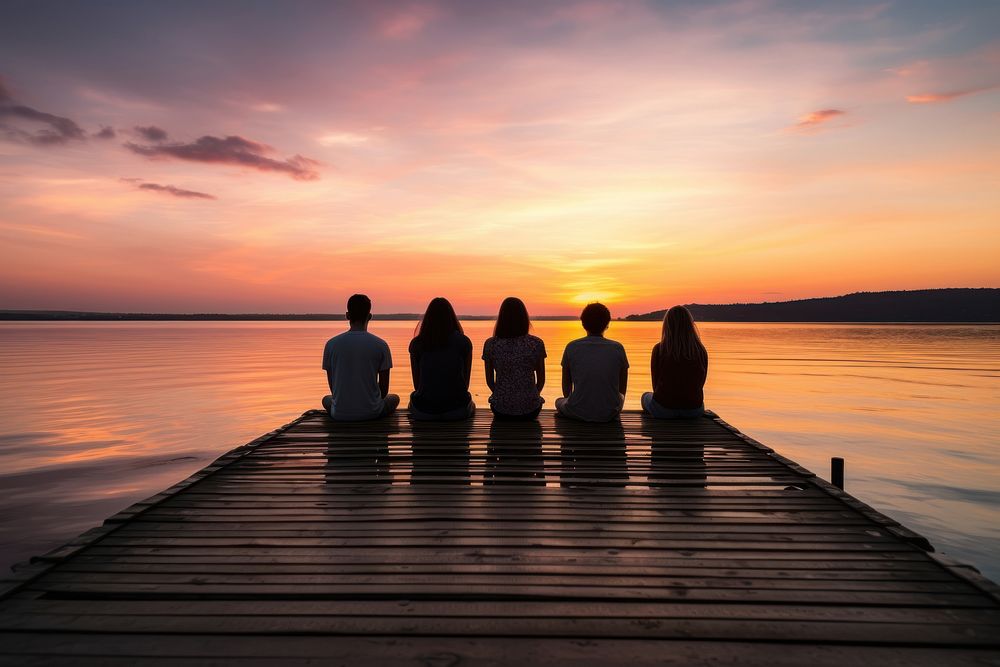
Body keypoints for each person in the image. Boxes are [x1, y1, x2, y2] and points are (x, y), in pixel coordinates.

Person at [321, 294, 400, 421]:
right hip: (372, 413)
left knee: (326, 399)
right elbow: (384, 391)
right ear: (369, 316)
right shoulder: (381, 345)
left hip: (340, 414)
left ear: (347, 316)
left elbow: (333, 388)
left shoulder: (331, 344)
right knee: (395, 398)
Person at [555, 302, 628, 422]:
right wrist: (617, 406)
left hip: (577, 411)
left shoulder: (572, 347)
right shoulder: (618, 348)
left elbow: (566, 388)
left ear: (583, 324)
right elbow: (622, 389)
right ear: (607, 324)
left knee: (558, 401)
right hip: (610, 413)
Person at [408, 297, 475, 421]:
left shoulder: (417, 343)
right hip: (457, 411)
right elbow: (465, 385)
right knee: (470, 402)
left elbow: (417, 386)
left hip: (424, 412)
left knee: (411, 398)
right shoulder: (464, 342)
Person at [482, 297, 546, 420]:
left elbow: (489, 381)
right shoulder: (536, 343)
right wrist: (531, 396)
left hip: (500, 410)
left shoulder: (490, 344)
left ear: (501, 318)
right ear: (524, 318)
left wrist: (502, 396)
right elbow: (541, 380)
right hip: (531, 410)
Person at [641, 305, 708, 419]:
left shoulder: (659, 349)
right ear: (690, 325)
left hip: (664, 410)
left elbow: (655, 385)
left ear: (667, 325)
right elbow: (701, 383)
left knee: (645, 397)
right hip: (694, 411)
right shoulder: (700, 350)